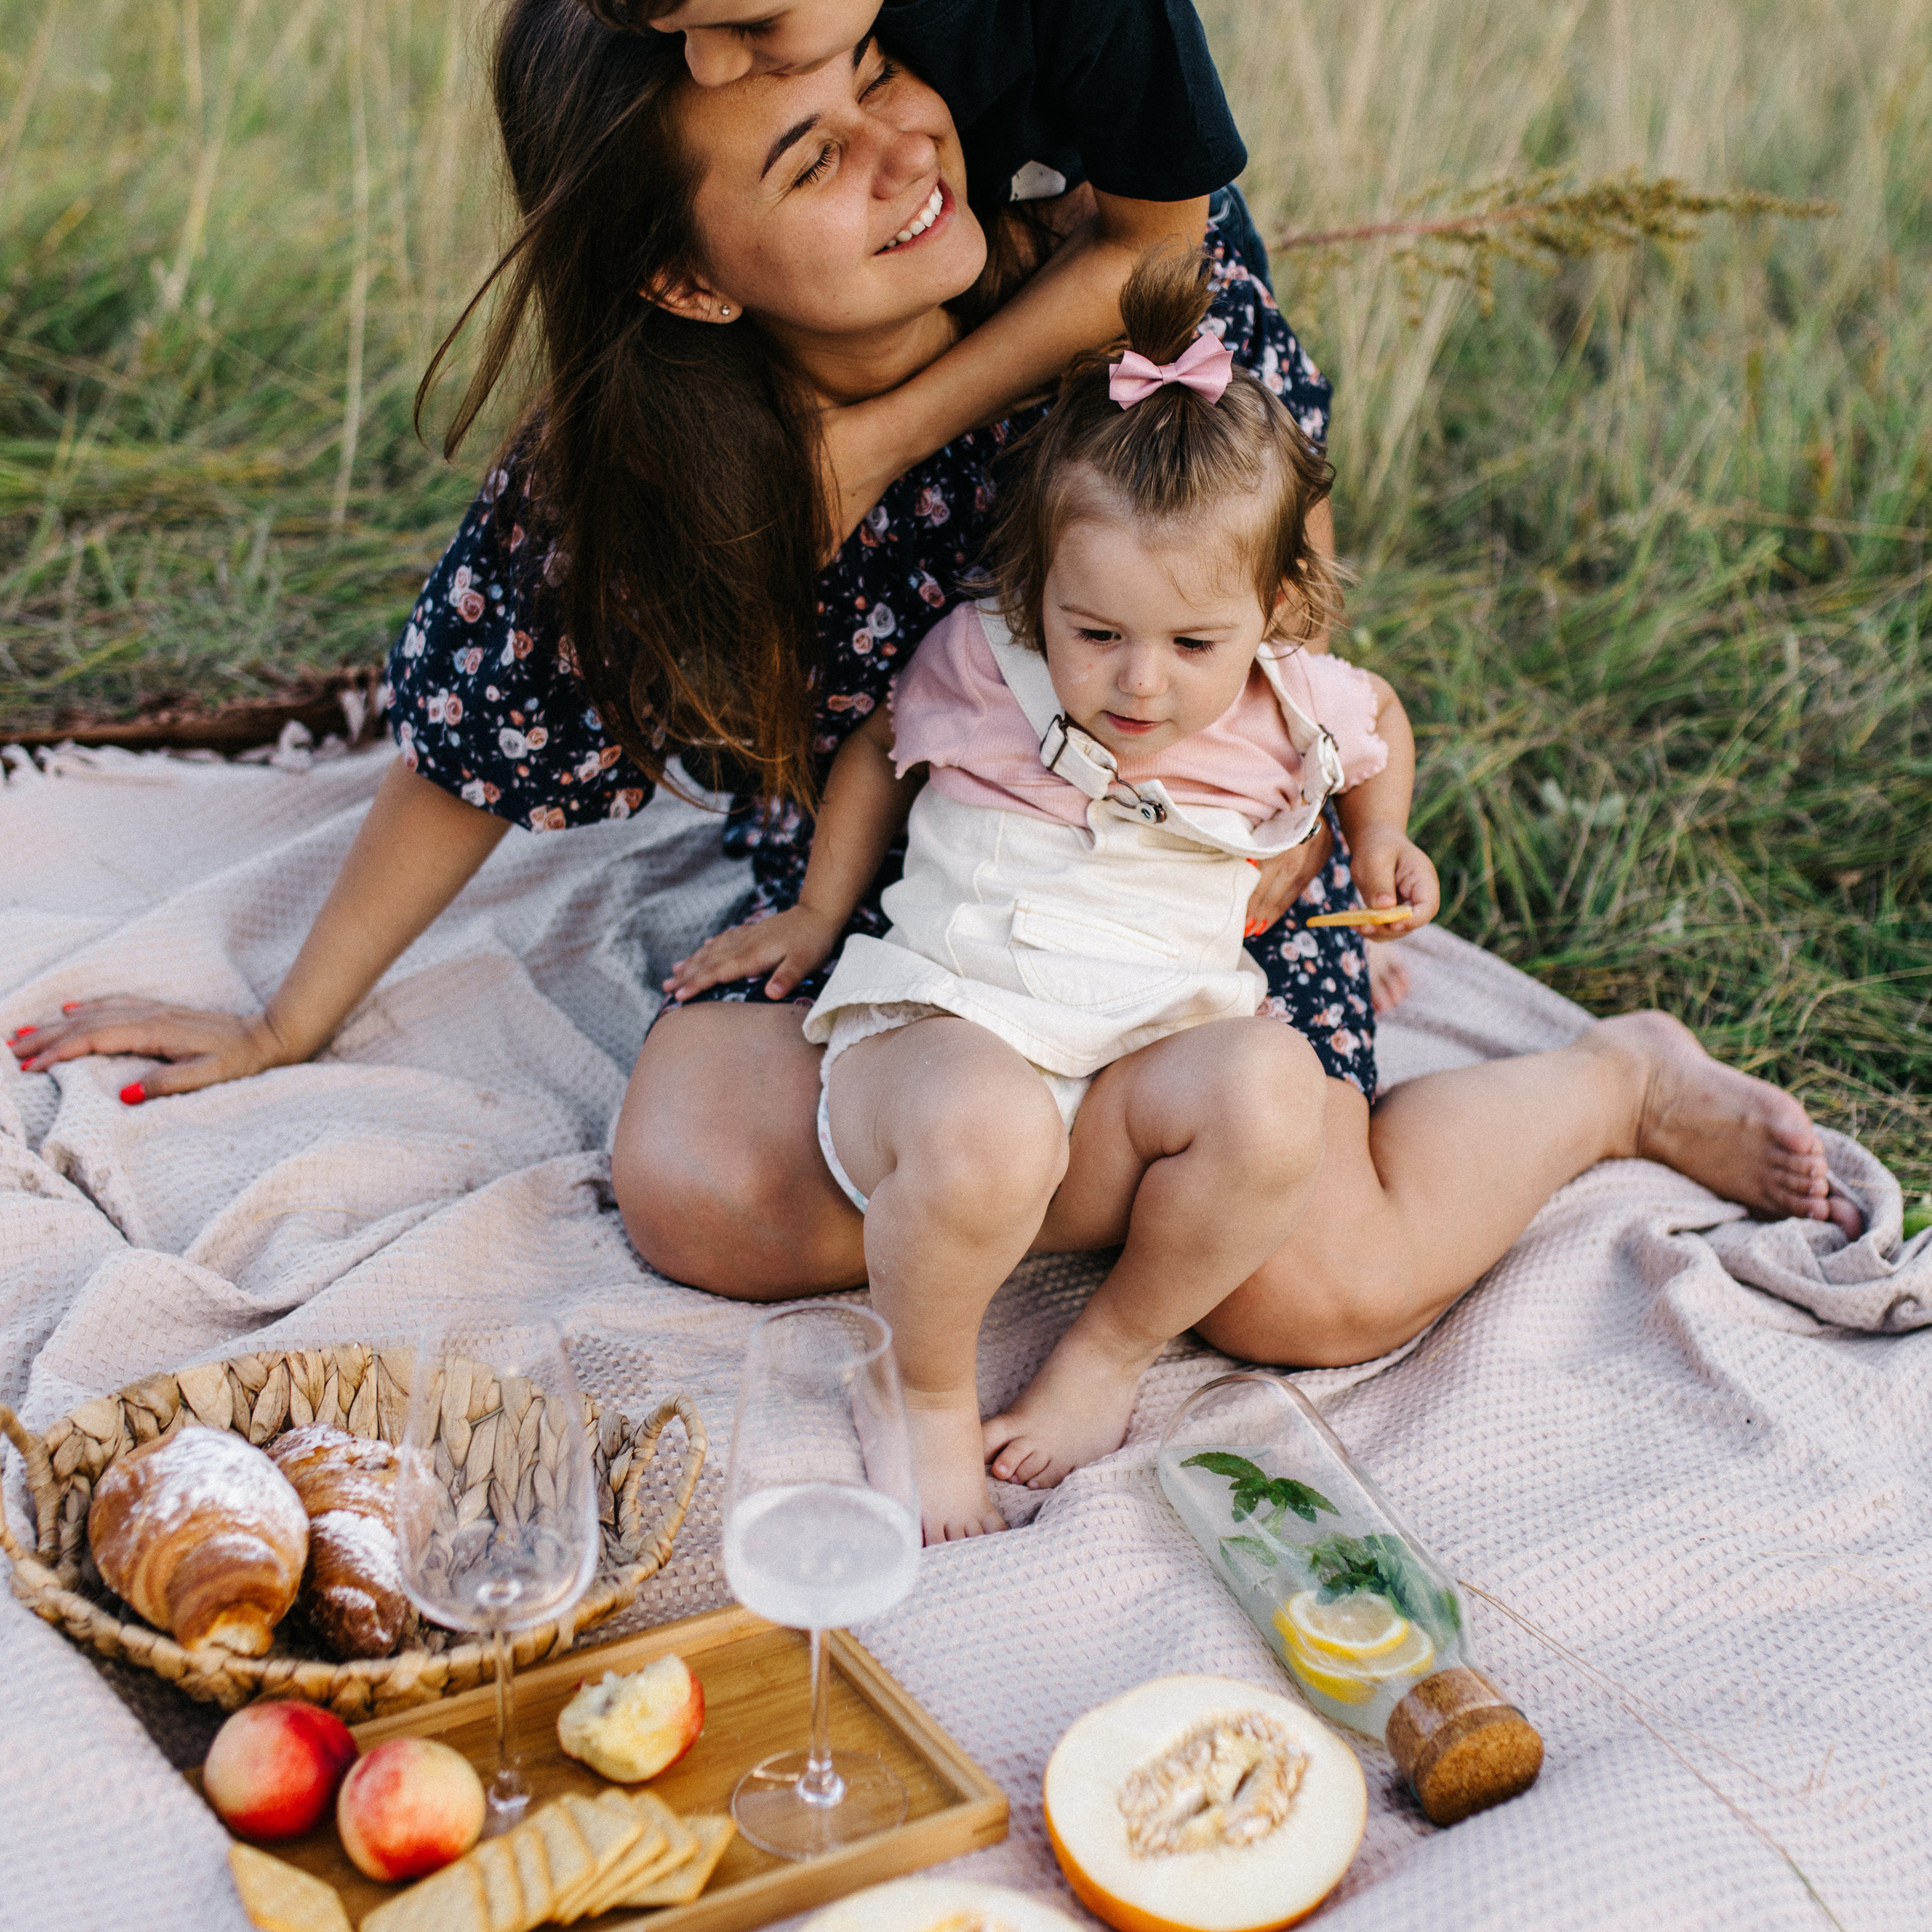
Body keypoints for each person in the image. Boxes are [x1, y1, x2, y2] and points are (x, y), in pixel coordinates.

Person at [9, 9, 1857, 1469]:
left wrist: (1290, 845)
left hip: (1164, 910)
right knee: (690, 1183)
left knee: (1324, 1289)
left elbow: (1258, 638)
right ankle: (1056, 1180)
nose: (905, 144)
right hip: (889, 939)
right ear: (687, 277)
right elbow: (484, 736)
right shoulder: (647, 475)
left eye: (884, 71)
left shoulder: (1123, 337)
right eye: (811, 151)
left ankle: (1607, 1079)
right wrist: (289, 1014)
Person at [663, 245, 1437, 1537]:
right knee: (993, 1134)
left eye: (1194, 644)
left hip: (1151, 1064)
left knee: (1273, 1093)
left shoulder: (1293, 697)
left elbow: (1386, 725)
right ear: (1039, 592)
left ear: (1276, 611)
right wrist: (816, 908)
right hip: (952, 1030)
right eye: (1099, 633)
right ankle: (921, 1393)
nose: (1140, 684)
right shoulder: (989, 663)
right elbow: (874, 756)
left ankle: (1109, 1353)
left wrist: (1379, 846)